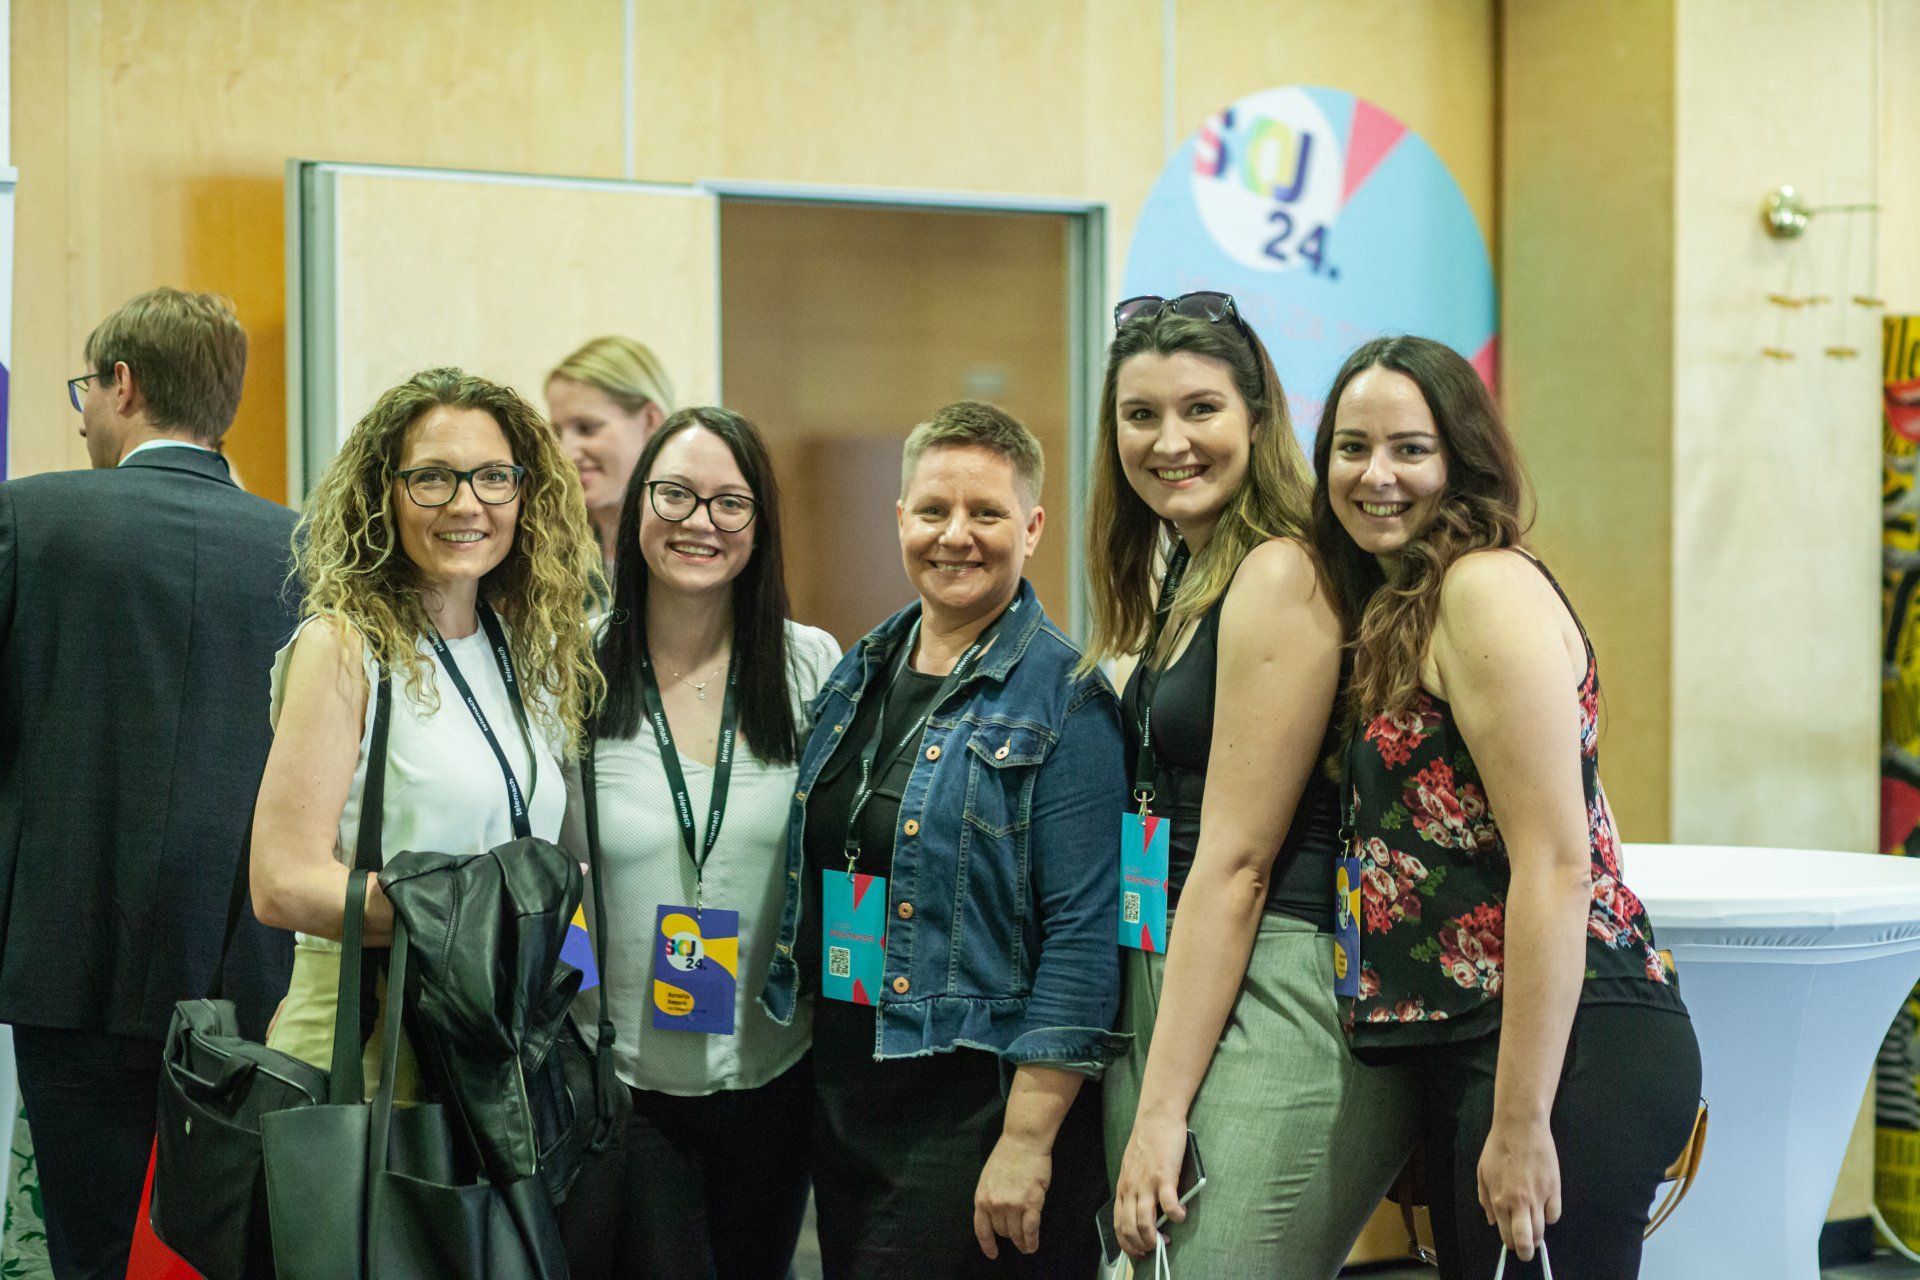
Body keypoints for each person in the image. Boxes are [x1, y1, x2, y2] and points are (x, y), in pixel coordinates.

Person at [1310, 335, 1700, 1279]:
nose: (1375, 475)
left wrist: (1521, 1120)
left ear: (1463, 460)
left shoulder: (1481, 587)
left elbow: (1559, 866)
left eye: (1410, 448)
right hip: (1491, 1039)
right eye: (1352, 447)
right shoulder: (1408, 599)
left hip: (1569, 1042)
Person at [761, 402, 1125, 1278]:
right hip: (848, 1089)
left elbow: (1085, 936)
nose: (955, 535)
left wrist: (1027, 1141)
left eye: (986, 513)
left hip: (974, 1111)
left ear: (1031, 528)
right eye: (933, 510)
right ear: (901, 520)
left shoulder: (1067, 699)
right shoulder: (859, 671)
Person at [1091, 293, 1412, 1273]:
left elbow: (1238, 865)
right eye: (1141, 414)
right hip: (1174, 970)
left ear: (1259, 420)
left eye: (1201, 409)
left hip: (1276, 979)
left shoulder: (1280, 572)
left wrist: (1159, 1113)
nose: (1169, 441)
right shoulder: (1187, 577)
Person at [0, 288, 299, 1278]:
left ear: (122, 384)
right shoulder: (308, 551)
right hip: (249, 973)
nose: (81, 414)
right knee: (229, 1249)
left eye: (84, 389)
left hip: (66, 965)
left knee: (87, 1250)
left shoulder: (28, 518)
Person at [251, 367, 601, 1097]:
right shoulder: (342, 648)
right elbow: (281, 885)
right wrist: (486, 913)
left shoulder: (524, 652)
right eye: (433, 478)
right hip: (371, 1042)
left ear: (525, 494)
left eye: (493, 477)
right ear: (386, 494)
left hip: (492, 1045)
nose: (466, 504)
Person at [555, 407, 839, 1279]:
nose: (699, 522)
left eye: (729, 503)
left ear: (760, 525)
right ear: (638, 504)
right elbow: (543, 859)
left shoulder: (809, 666)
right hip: (619, 1076)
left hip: (775, 1073)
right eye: (674, 494)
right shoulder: (571, 667)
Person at [547, 335, 675, 568]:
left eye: (586, 428)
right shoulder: (550, 549)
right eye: (556, 433)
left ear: (650, 421)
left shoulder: (689, 543)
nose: (564, 453)